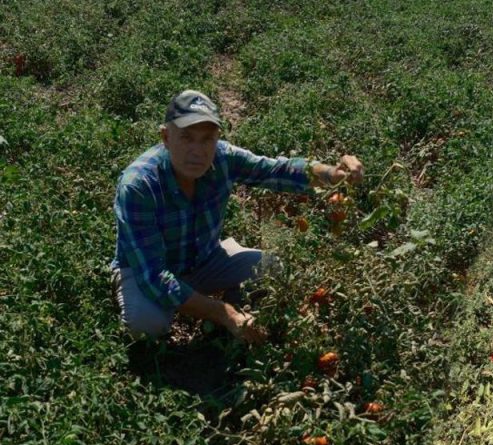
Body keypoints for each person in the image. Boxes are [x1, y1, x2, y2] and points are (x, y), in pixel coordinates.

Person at [112, 90, 363, 344]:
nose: (197, 151)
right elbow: (153, 276)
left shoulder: (223, 158)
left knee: (273, 269)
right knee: (145, 327)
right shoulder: (139, 185)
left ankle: (227, 303)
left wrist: (330, 173)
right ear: (166, 137)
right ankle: (215, 311)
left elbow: (276, 169)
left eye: (207, 139)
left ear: (217, 138)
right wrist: (223, 313)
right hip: (147, 270)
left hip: (204, 259)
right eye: (187, 138)